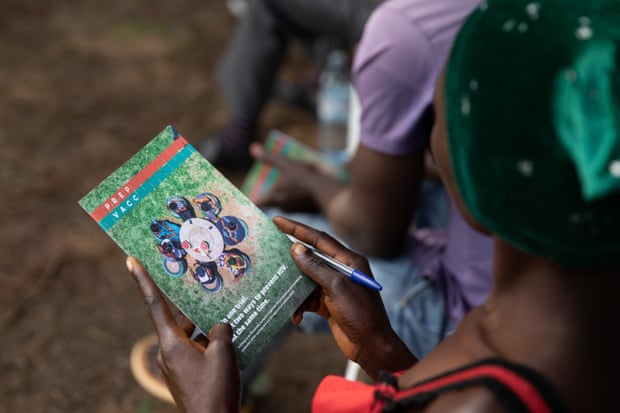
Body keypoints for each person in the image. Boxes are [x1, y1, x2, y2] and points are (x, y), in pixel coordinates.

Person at [125, 0, 620, 410]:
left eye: (439, 122)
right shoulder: (555, 356)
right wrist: (384, 353)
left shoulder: (477, 403)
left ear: (477, 181)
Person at [252, 0, 492, 358]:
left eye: (439, 123)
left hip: (471, 317)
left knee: (261, 244)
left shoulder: (409, 32)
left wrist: (318, 185)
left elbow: (374, 236)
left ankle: (222, 363)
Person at [203, 0, 383, 171]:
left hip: (387, 12)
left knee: (268, 3)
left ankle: (239, 133)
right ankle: (320, 79)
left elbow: (358, 204)